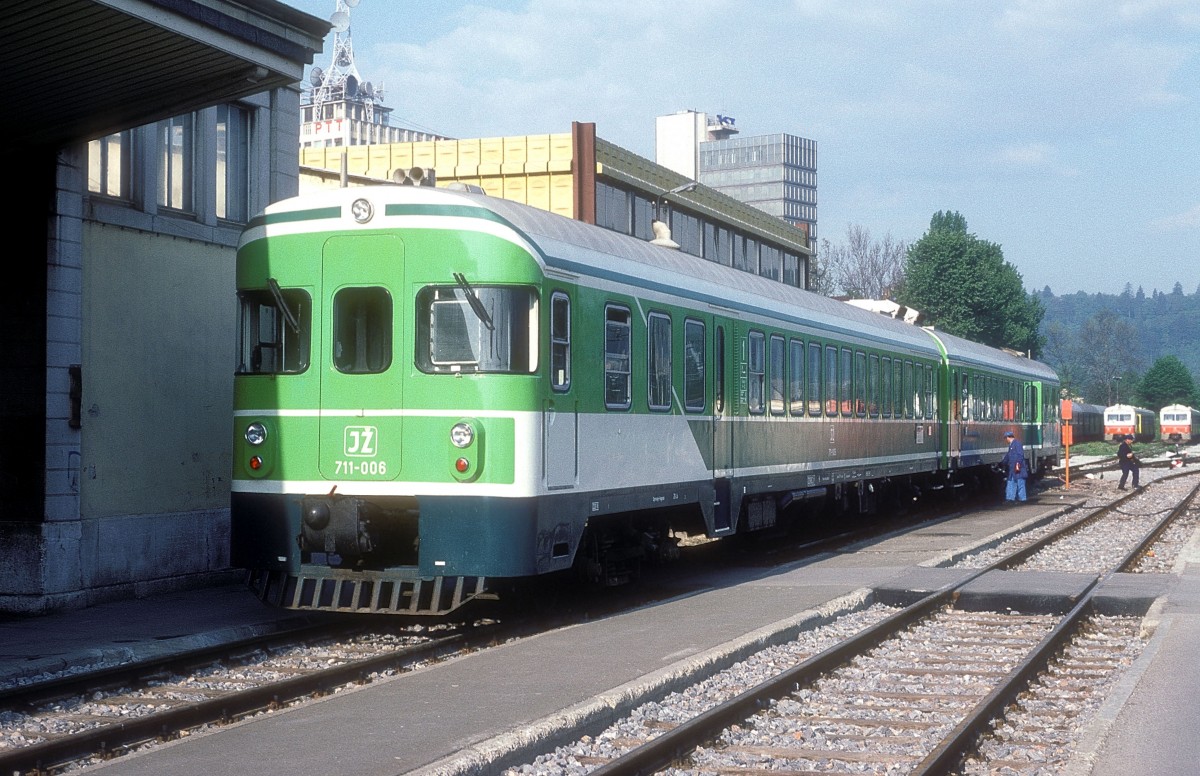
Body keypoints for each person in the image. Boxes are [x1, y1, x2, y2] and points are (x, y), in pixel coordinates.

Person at [1001, 430, 1027, 503]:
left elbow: (1020, 455)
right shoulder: (1012, 445)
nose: (1006, 440)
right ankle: (1010, 498)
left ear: (1008, 437)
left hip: (1018, 468)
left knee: (1020, 482)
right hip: (1013, 468)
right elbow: (1008, 455)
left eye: (1006, 438)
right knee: (1011, 482)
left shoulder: (1017, 444)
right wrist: (1003, 462)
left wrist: (1018, 464)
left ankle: (1022, 499)